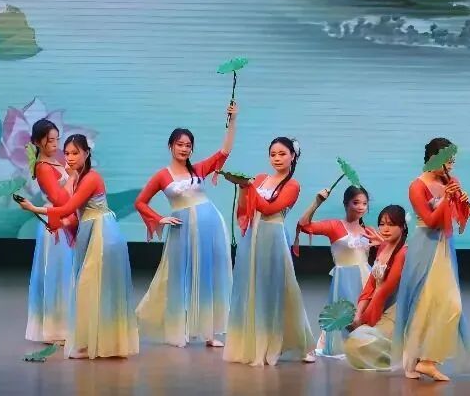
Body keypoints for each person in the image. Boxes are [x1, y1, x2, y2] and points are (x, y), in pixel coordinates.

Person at [18, 134, 139, 359]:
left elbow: (67, 208)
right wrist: (61, 224)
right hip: (91, 231)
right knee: (90, 289)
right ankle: (96, 343)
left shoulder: (91, 178)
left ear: (87, 153)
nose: (70, 157)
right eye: (67, 153)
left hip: (103, 235)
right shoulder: (79, 177)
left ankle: (94, 344)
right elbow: (74, 214)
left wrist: (33, 208)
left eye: (75, 153)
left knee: (91, 288)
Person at [134, 103, 237, 347]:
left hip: (209, 227)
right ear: (170, 146)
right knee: (178, 278)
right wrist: (159, 218)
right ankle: (177, 329)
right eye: (180, 144)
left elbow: (224, 151)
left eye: (188, 145)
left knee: (208, 276)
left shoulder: (198, 169)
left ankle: (209, 333)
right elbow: (140, 202)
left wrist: (232, 120)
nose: (184, 148)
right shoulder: (162, 175)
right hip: (182, 231)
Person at [391, 137, 470, 381]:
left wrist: (463, 204)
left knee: (451, 304)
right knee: (423, 303)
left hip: (444, 245)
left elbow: (458, 220)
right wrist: (447, 199)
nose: (450, 165)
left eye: (453, 161)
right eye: (447, 161)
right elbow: (431, 221)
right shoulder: (417, 186)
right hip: (425, 245)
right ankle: (414, 360)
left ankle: (428, 360)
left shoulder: (451, 181)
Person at [222, 137, 314, 366]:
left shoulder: (293, 185)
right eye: (273, 154)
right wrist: (243, 189)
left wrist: (248, 186)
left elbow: (269, 208)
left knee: (277, 289)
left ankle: (294, 342)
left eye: (282, 154)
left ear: (293, 156)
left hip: (273, 237)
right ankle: (252, 342)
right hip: (252, 237)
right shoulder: (262, 178)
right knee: (251, 287)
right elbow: (246, 208)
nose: (277, 158)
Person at [296, 185, 379, 357]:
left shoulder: (369, 230)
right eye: (356, 202)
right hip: (344, 279)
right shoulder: (335, 226)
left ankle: (363, 347)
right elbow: (304, 225)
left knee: (365, 316)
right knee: (344, 316)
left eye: (364, 203)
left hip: (366, 277)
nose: (361, 207)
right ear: (346, 203)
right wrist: (317, 202)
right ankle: (343, 347)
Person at [25, 119, 74, 344]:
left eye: (56, 140)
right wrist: (72, 178)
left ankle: (66, 325)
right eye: (49, 140)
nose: (55, 144)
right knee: (56, 272)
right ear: (37, 142)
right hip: (54, 220)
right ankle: (55, 329)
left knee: (65, 271)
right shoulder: (43, 167)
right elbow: (58, 198)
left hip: (64, 219)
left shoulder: (56, 162)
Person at [344, 204, 409, 371]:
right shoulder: (383, 249)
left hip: (395, 311)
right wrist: (358, 314)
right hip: (377, 306)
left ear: (402, 226)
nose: (385, 229)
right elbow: (370, 287)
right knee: (354, 343)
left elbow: (385, 290)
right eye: (382, 224)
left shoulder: (404, 253)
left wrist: (365, 321)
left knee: (360, 342)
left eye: (391, 224)